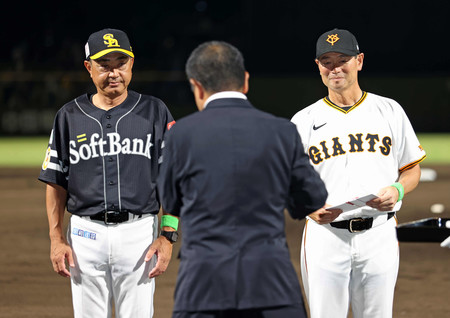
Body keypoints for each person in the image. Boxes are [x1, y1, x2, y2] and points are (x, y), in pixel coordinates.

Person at [156, 41, 328, 318]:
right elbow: (312, 198)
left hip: (203, 287)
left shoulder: (181, 135)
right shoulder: (282, 131)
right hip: (272, 287)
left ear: (196, 86)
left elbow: (171, 202)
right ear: (245, 81)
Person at [38, 28, 176, 318]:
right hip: (84, 236)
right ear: (89, 68)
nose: (114, 73)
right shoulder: (69, 116)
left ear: (131, 65)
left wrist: (167, 235)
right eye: (104, 65)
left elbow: (172, 180)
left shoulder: (154, 111)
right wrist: (55, 238)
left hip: (139, 234)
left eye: (120, 64)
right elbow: (55, 180)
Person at [291, 28, 427, 318]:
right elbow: (287, 182)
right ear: (318, 67)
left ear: (360, 61)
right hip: (325, 237)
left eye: (343, 59)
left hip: (379, 233)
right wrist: (307, 207)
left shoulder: (389, 110)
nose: (335, 68)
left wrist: (398, 190)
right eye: (326, 61)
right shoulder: (303, 121)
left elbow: (412, 169)